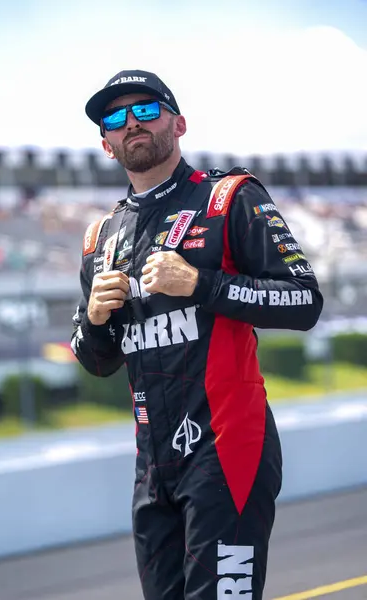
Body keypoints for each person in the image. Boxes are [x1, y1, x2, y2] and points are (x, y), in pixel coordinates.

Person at [71, 69, 324, 600]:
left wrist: (201, 283)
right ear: (106, 145)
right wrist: (93, 321)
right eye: (116, 118)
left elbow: (304, 301)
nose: (132, 124)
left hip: (227, 450)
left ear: (178, 123)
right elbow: (96, 361)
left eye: (147, 110)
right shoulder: (101, 236)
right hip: (153, 469)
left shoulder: (229, 198)